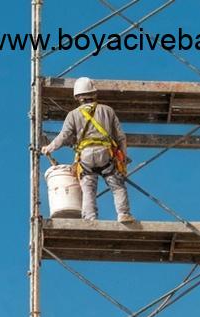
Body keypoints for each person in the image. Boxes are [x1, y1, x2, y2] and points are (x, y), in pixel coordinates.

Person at [41, 76, 135, 223]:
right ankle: (123, 214)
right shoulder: (107, 111)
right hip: (106, 154)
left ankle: (90, 219)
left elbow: (63, 136)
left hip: (85, 156)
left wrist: (49, 148)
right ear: (94, 93)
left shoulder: (73, 115)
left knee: (88, 189)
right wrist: (123, 156)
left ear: (77, 97)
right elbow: (121, 137)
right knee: (117, 186)